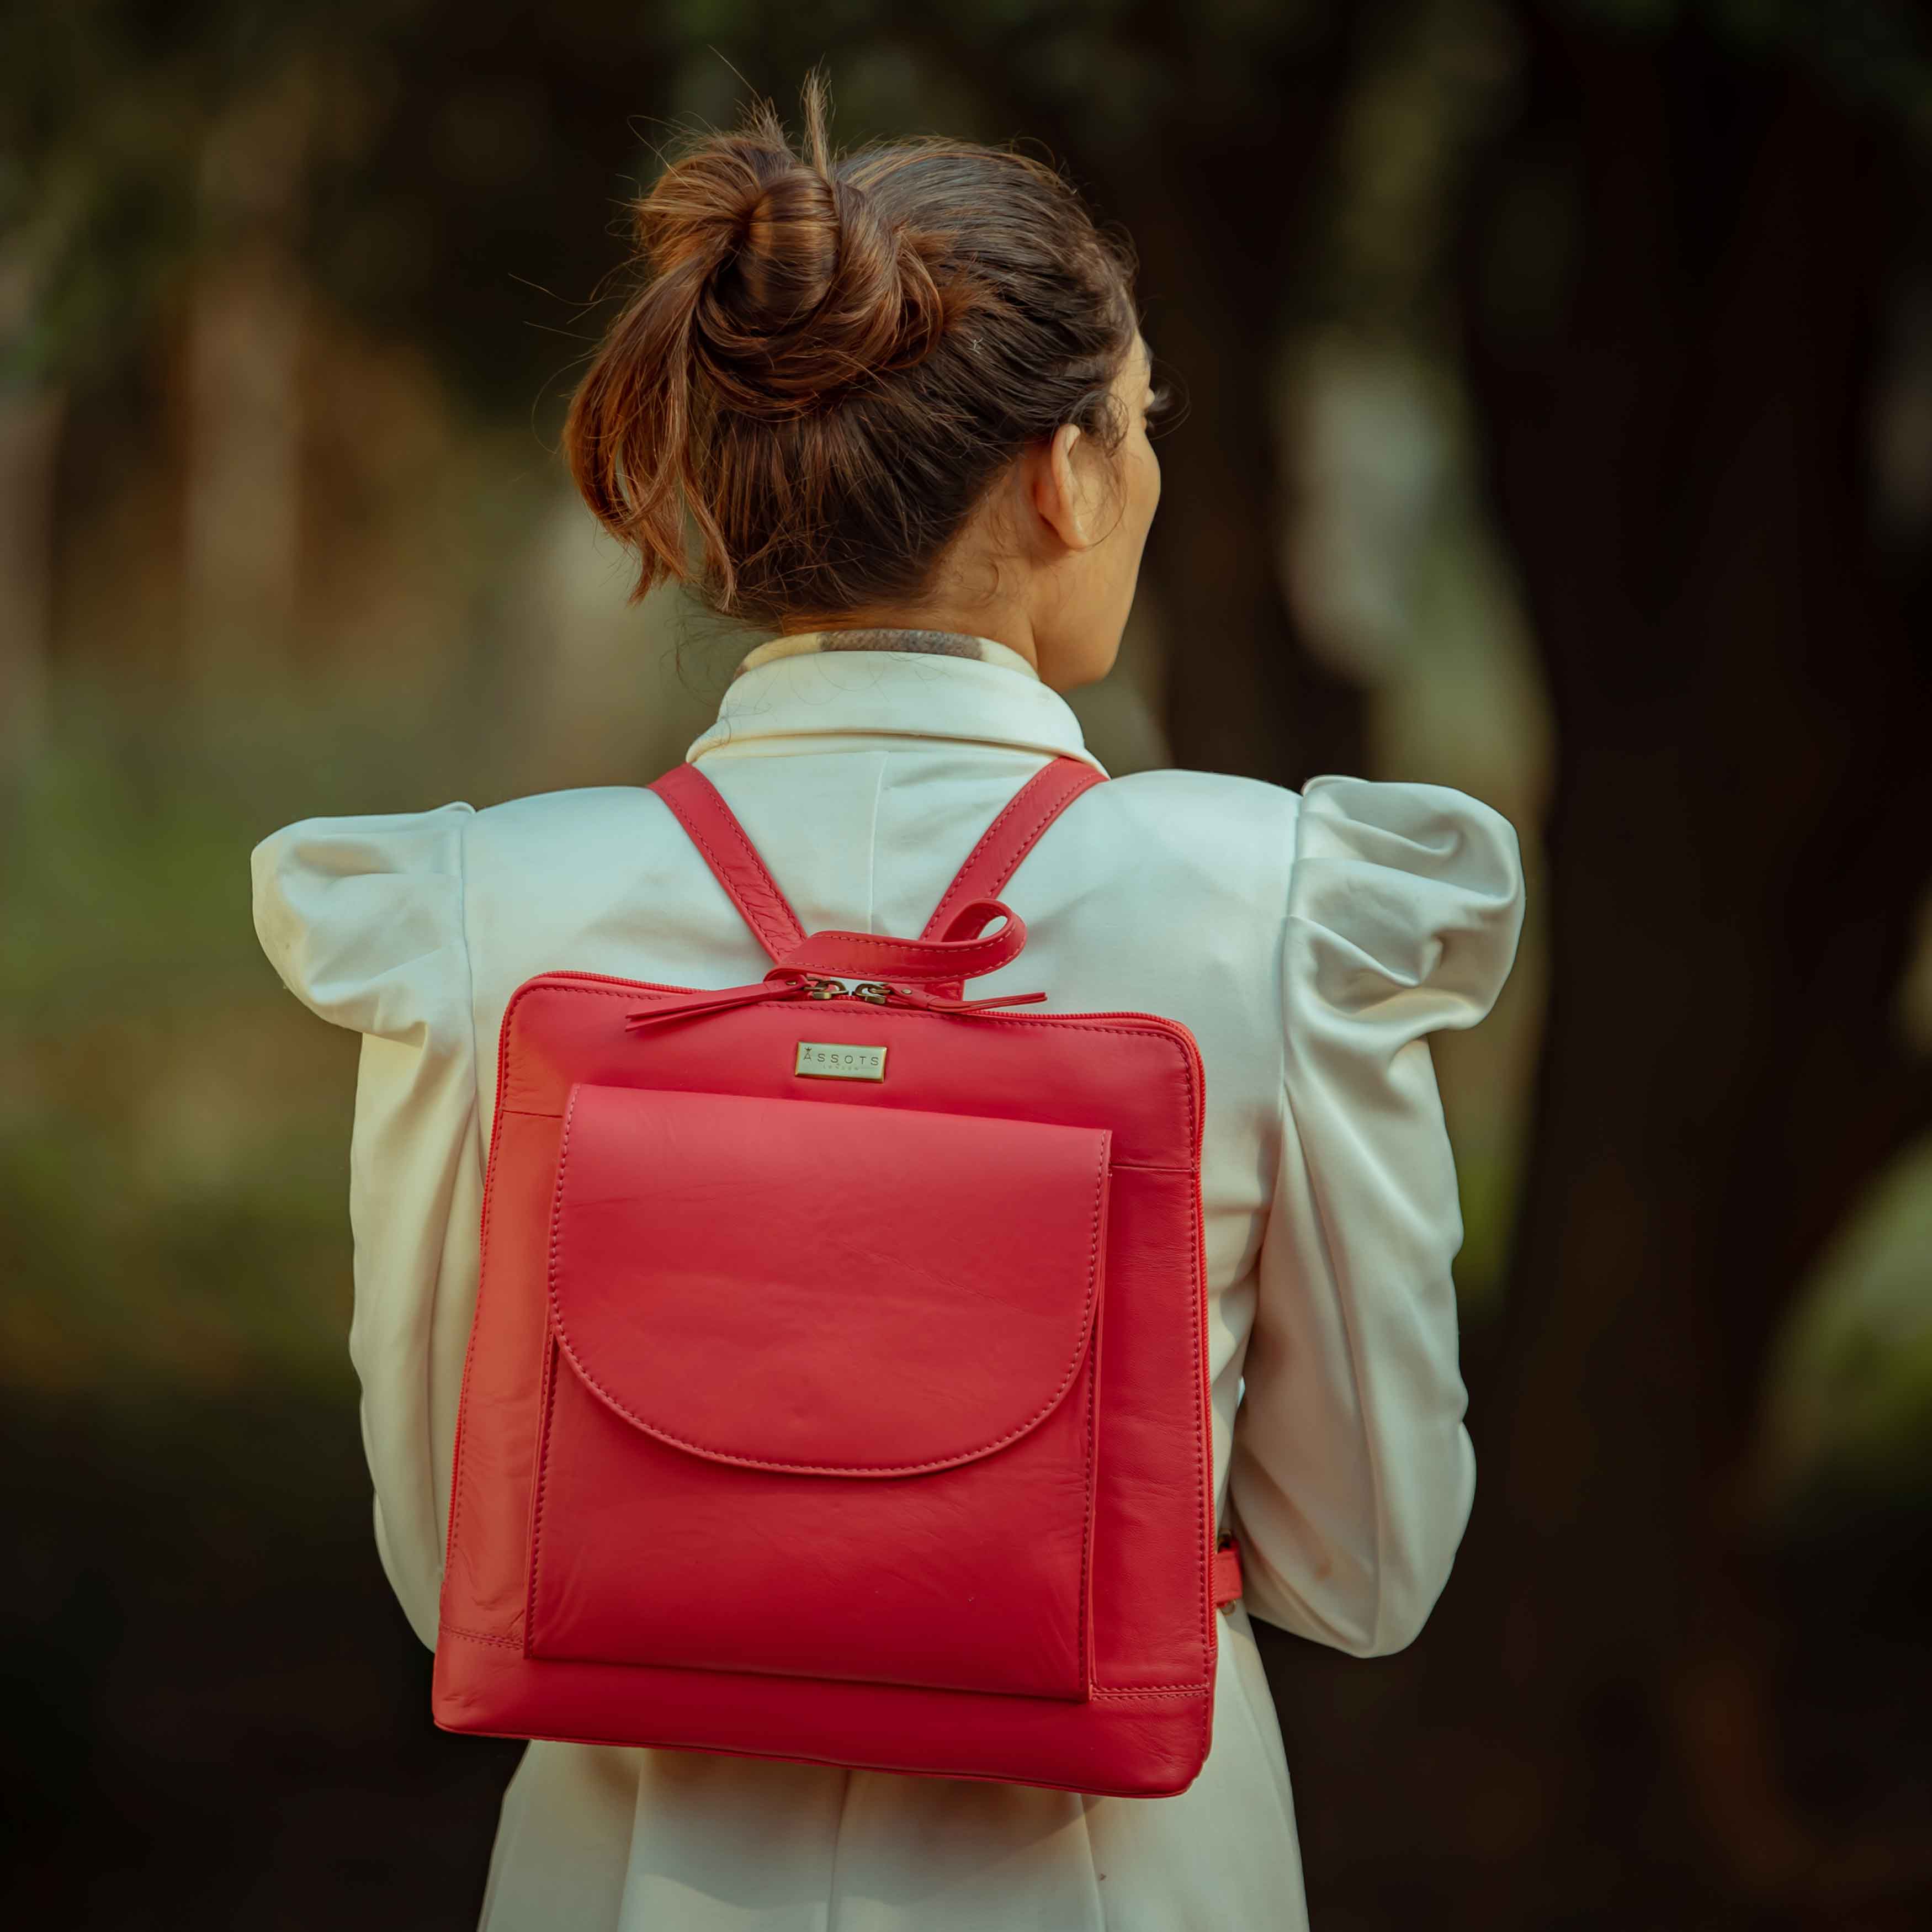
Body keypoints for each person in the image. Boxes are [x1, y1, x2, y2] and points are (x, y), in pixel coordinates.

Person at [252, 79, 1525, 1932]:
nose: (1147, 469)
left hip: (627, 1875)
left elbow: (456, 1550)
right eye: (1142, 420)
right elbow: (1367, 1564)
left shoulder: (477, 915)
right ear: (1064, 470)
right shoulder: (1280, 912)